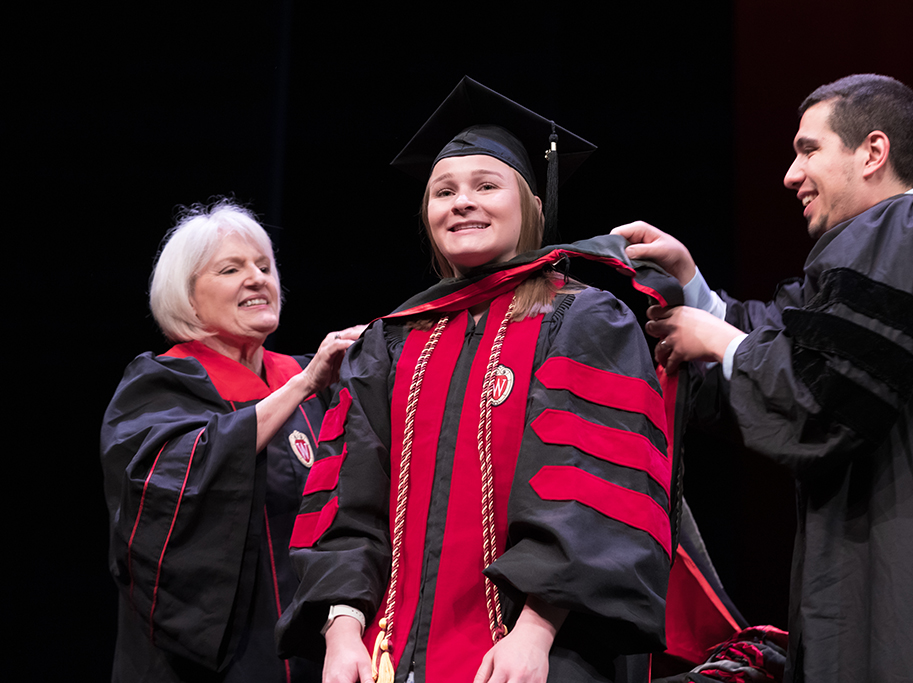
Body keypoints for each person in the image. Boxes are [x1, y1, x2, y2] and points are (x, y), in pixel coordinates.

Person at [276, 77, 735, 683]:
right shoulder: (388, 342)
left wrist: (534, 633)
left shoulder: (583, 320)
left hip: (535, 653)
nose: (462, 202)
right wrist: (341, 631)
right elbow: (345, 502)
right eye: (444, 191)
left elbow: (594, 487)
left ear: (529, 205)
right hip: (391, 656)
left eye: (486, 186)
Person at [616, 74, 913, 680]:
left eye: (809, 150)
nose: (790, 173)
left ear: (872, 153)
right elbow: (799, 338)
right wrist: (694, 287)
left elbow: (824, 391)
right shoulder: (904, 243)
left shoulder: (909, 227)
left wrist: (720, 340)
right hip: (893, 568)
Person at [101, 201, 364, 682]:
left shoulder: (314, 386)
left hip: (311, 655)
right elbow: (169, 489)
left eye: (265, 267)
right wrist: (301, 386)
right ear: (188, 297)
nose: (257, 278)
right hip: (209, 661)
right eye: (231, 268)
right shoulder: (161, 384)